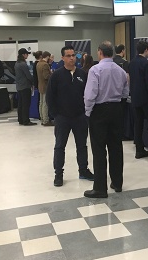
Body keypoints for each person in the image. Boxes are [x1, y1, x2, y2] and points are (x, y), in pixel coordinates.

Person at [83, 41, 129, 198]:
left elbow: (90, 94)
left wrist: (88, 112)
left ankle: (100, 188)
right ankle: (117, 183)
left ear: (100, 52)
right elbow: (125, 92)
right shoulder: (120, 70)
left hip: (99, 111)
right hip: (116, 110)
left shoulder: (95, 70)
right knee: (116, 147)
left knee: (99, 149)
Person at [46, 46, 94, 187]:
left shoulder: (82, 74)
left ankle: (83, 170)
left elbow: (88, 94)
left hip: (80, 117)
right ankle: (58, 174)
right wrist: (56, 115)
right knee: (60, 146)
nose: (71, 58)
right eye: (68, 56)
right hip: (62, 118)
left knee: (82, 145)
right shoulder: (56, 76)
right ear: (63, 58)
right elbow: (50, 97)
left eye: (73, 55)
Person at [15, 48, 36, 126]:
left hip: (19, 86)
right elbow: (28, 76)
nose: (27, 55)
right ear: (23, 55)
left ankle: (20, 119)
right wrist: (33, 82)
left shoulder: (17, 63)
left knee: (20, 104)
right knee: (26, 104)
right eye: (27, 54)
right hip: (25, 86)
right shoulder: (23, 64)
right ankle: (26, 120)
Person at [37, 51, 52, 126]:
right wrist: (52, 74)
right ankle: (46, 120)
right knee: (45, 104)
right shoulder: (45, 64)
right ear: (47, 56)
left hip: (40, 85)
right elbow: (46, 76)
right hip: (45, 86)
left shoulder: (38, 63)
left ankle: (42, 119)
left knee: (41, 103)